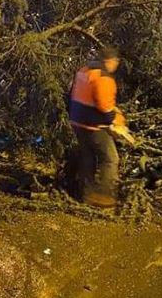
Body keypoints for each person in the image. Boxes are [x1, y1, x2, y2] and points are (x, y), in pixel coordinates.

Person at [68, 47, 124, 208]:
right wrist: (115, 121)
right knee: (110, 159)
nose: (116, 65)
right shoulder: (103, 77)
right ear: (110, 61)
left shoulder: (83, 71)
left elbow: (71, 94)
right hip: (94, 125)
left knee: (87, 157)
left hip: (77, 121)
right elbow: (105, 107)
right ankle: (105, 196)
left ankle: (86, 194)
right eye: (116, 62)